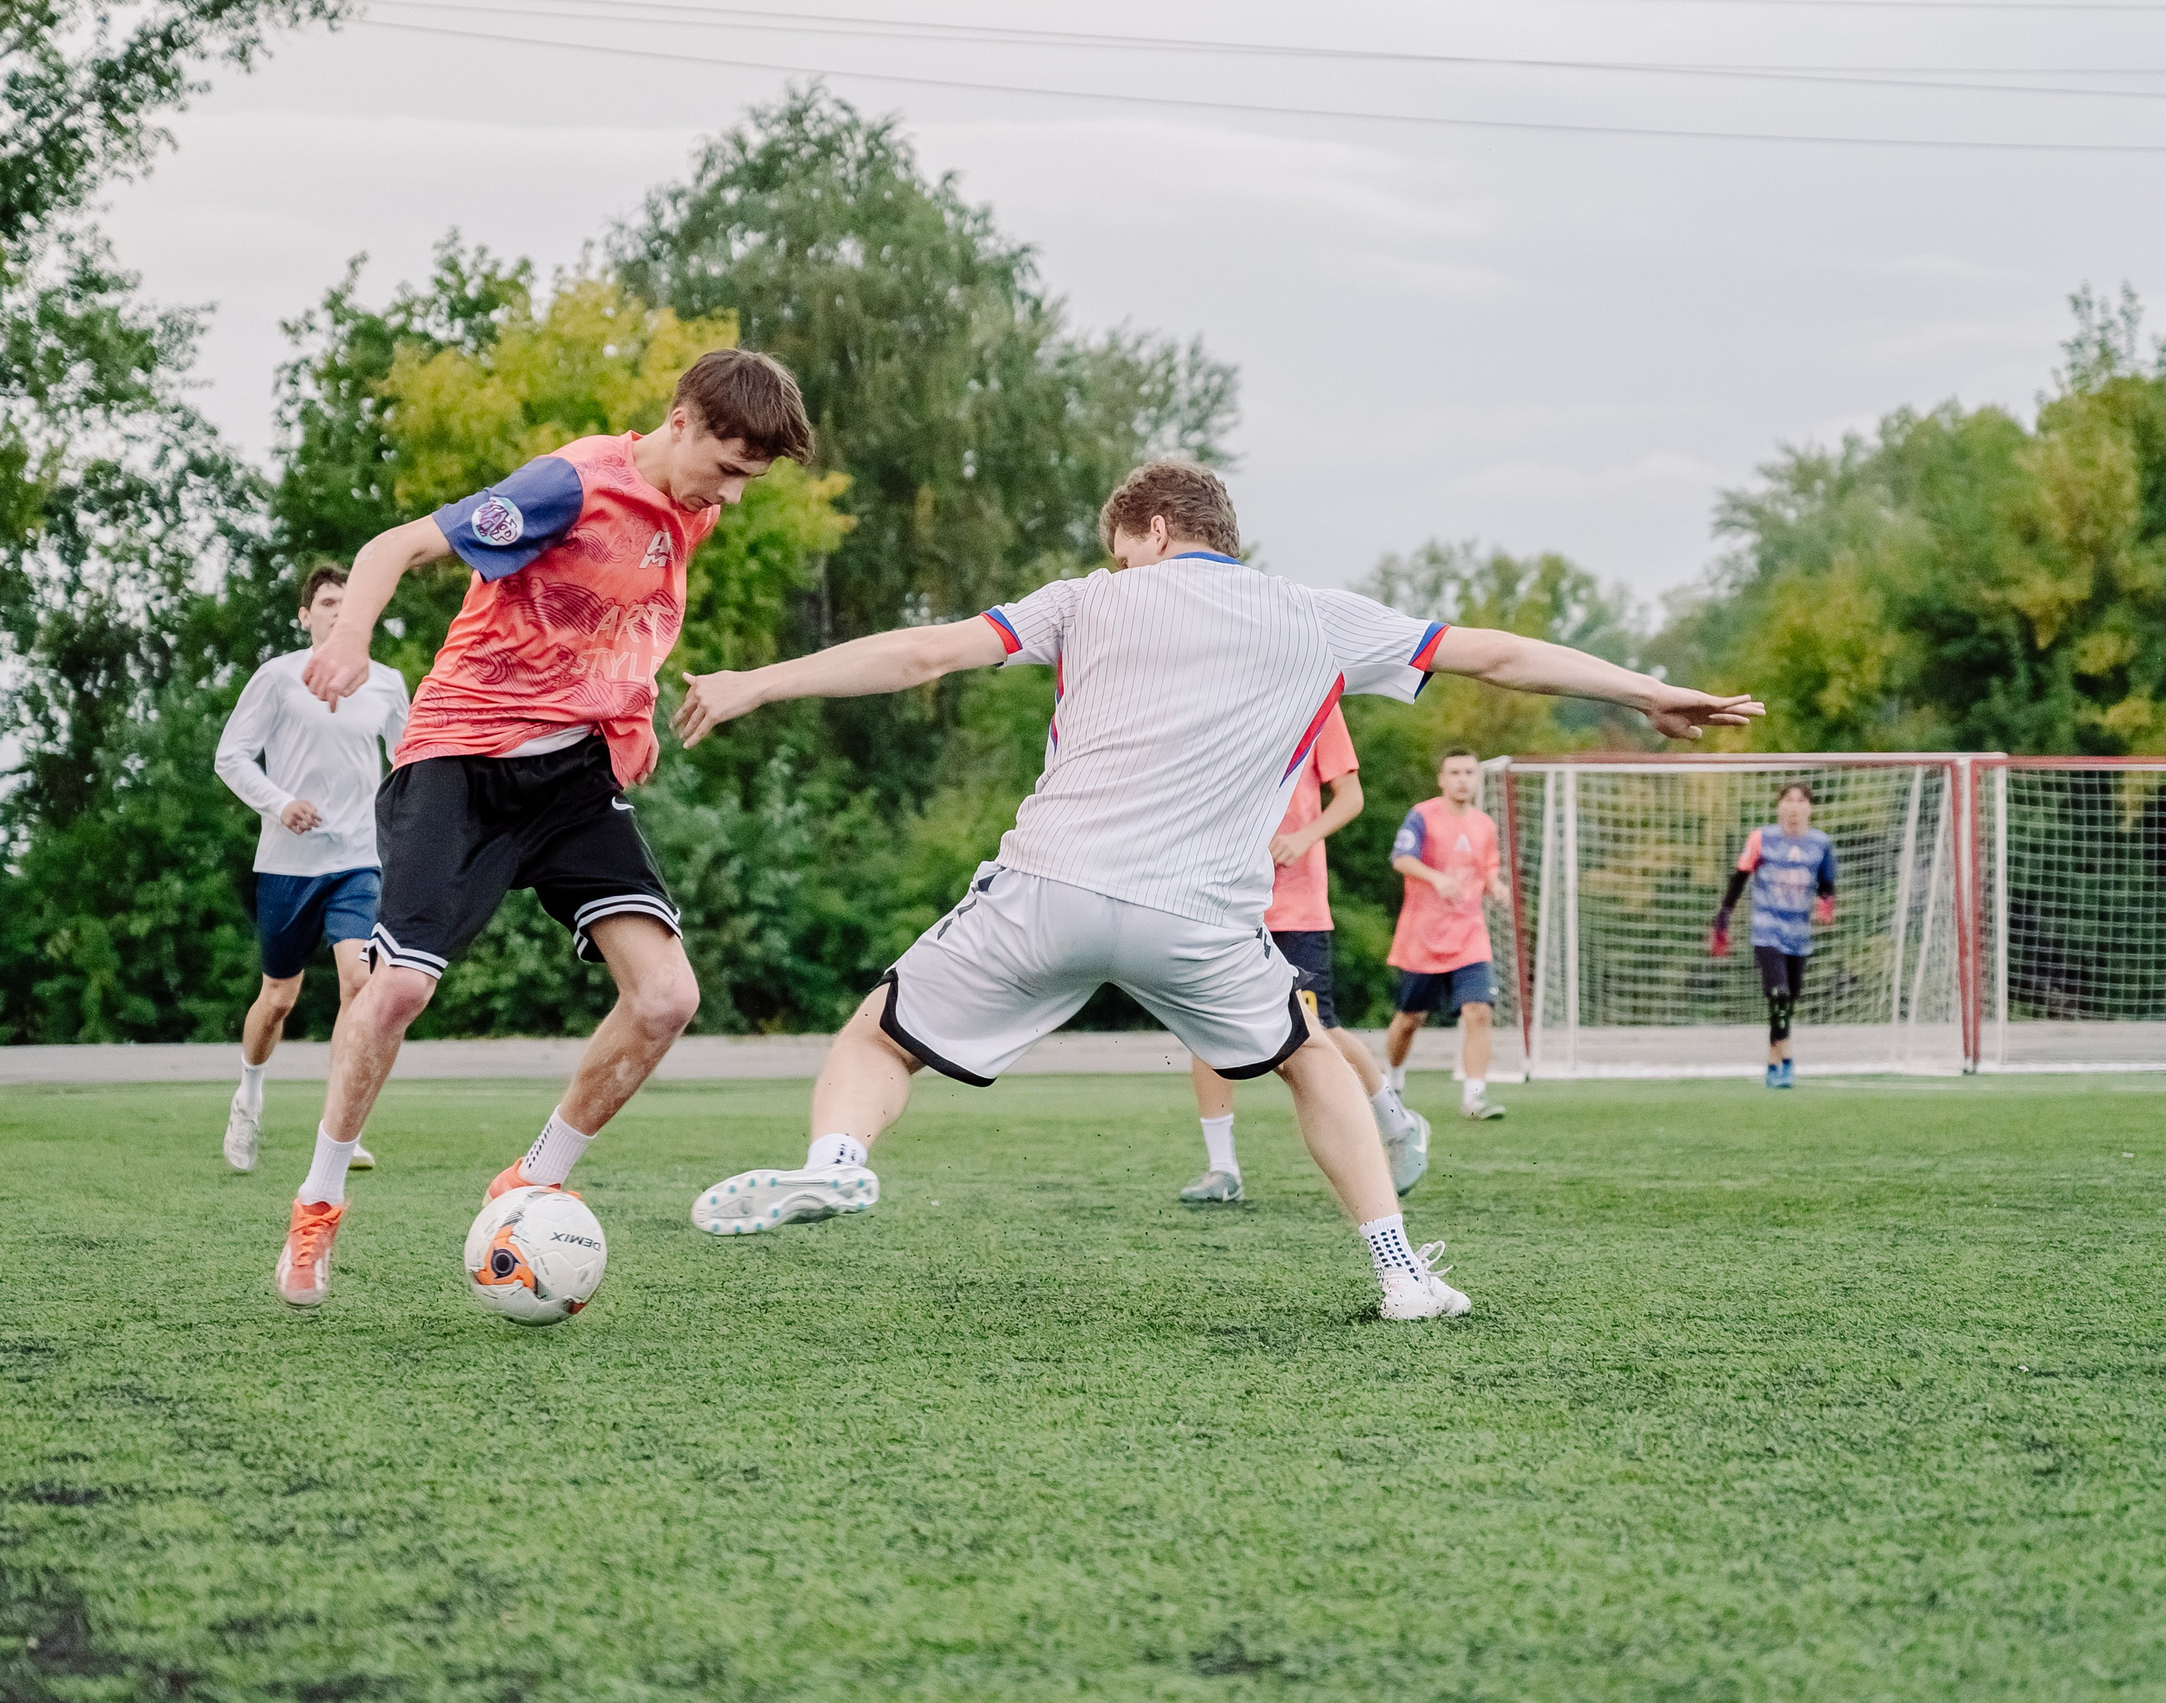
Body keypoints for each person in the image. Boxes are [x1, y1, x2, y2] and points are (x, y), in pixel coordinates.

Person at [673, 461, 1761, 1321]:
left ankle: (839, 1159)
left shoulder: (1085, 601)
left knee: (878, 1037)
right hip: (1197, 916)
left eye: (1120, 548)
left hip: (1046, 885)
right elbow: (1496, 654)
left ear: (1148, 530)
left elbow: (917, 655)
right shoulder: (1316, 615)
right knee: (1311, 1063)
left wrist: (755, 681)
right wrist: (1648, 691)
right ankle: (1399, 1274)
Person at [271, 348, 816, 1307]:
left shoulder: (696, 510)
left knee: (666, 998)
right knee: (396, 990)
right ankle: (318, 1200)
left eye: (749, 478)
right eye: (728, 467)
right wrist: (351, 635)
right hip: (462, 762)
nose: (733, 492)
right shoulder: (566, 485)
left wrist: (630, 710)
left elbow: (627, 617)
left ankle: (531, 1177)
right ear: (681, 421)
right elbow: (392, 547)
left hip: (570, 776)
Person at [1179, 705, 1431, 1204]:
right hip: (1223, 899)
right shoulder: (1214, 696)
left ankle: (1399, 1125)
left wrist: (1302, 837)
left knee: (1316, 1033)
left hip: (1296, 907)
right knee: (1203, 1029)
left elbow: (1350, 797)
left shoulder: (1317, 699)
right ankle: (1222, 1169)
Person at [213, 564, 410, 1174]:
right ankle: (248, 1095)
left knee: (360, 982)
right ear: (305, 615)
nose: (336, 611)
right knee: (277, 999)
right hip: (286, 865)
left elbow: (408, 767)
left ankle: (339, 1129)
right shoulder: (277, 677)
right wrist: (280, 803)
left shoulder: (385, 683)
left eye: (348, 603)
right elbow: (231, 756)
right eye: (326, 602)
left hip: (356, 860)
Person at [1382, 749, 1512, 1123]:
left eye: (1469, 772)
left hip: (1469, 935)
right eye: (1454, 772)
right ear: (1441, 779)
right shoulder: (1422, 816)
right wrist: (1436, 877)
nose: (1462, 779)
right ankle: (1393, 1082)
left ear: (1476, 778)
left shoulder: (1484, 825)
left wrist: (1495, 886)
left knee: (1479, 1011)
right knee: (1410, 1019)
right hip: (1423, 938)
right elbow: (1400, 859)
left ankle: (1475, 1097)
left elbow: (1487, 868)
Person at [1711, 781, 1837, 1087]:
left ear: (1809, 808)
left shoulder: (1820, 844)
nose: (1794, 807)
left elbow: (1826, 882)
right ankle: (1788, 1062)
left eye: (1800, 801)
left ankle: (1772, 1063)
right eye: (1788, 800)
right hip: (1767, 930)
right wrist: (1722, 920)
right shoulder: (1761, 839)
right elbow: (1739, 879)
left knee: (1787, 1002)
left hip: (1799, 934)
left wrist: (1825, 905)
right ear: (1779, 806)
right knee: (1778, 994)